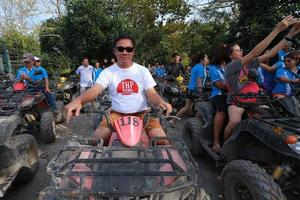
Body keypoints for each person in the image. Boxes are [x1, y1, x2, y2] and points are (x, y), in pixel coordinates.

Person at [65, 34, 172, 145]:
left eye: (129, 49)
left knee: (164, 142)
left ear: (133, 51)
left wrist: (161, 102)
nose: (124, 52)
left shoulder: (143, 70)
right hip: (116, 116)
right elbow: (95, 89)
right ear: (115, 51)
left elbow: (152, 93)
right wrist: (78, 100)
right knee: (94, 141)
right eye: (120, 49)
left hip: (142, 115)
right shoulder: (108, 72)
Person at [223, 16, 300, 142]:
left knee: (271, 121)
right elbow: (254, 53)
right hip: (236, 102)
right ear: (230, 55)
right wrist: (277, 30)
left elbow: (270, 54)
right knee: (234, 122)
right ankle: (225, 146)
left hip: (255, 100)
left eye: (241, 49)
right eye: (237, 50)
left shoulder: (249, 64)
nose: (241, 52)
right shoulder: (231, 66)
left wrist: (290, 34)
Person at [169, 53, 209, 127]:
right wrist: (200, 92)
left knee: (187, 108)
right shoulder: (200, 68)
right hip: (195, 90)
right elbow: (199, 81)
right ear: (201, 60)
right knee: (201, 109)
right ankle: (195, 126)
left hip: (190, 89)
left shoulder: (195, 67)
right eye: (206, 58)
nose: (207, 60)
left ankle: (173, 120)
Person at [209, 46, 228, 153]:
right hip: (219, 94)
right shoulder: (213, 68)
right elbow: (220, 85)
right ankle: (216, 141)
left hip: (234, 94)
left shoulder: (231, 66)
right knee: (222, 111)